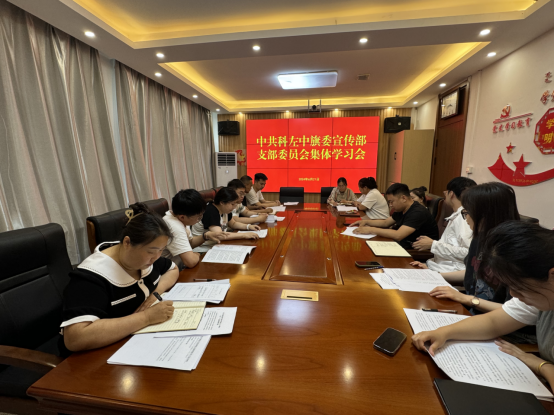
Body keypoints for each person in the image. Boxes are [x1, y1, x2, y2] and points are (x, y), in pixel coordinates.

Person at [412, 221, 548, 369]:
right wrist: (444, 332)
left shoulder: (542, 295)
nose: (512, 293)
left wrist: (541, 365)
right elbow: (493, 322)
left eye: (519, 286)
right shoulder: (541, 296)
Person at [60, 203, 179, 355]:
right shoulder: (91, 277)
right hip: (96, 358)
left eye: (161, 250)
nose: (156, 257)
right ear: (127, 242)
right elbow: (75, 338)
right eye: (152, 251)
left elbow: (172, 269)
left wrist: (155, 293)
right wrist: (146, 317)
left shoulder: (143, 258)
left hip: (134, 342)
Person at [425, 182, 522, 315]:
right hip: (474, 309)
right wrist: (434, 275)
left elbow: (518, 311)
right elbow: (473, 272)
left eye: (467, 212)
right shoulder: (479, 239)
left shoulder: (515, 250)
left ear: (486, 215)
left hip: (496, 319)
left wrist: (466, 299)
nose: (466, 218)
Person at [411, 177, 476, 273]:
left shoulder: (463, 218)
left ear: (451, 194)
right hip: (437, 266)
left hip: (450, 272)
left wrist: (433, 244)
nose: (444, 193)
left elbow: (469, 252)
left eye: (447, 191)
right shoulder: (457, 215)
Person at [352, 183, 439, 247]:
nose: (390, 205)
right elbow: (386, 223)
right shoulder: (402, 208)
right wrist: (365, 222)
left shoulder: (418, 212)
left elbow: (398, 235)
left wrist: (370, 230)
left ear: (403, 198)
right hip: (403, 243)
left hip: (416, 249)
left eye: (391, 201)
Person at [162, 189, 229, 270]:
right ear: (182, 217)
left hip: (178, 267)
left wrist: (206, 236)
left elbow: (189, 243)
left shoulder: (178, 217)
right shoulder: (174, 226)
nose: (199, 220)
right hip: (169, 271)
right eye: (199, 217)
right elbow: (190, 262)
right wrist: (197, 254)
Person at [192, 187, 262, 252]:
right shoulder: (211, 211)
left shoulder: (225, 209)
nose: (234, 207)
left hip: (217, 245)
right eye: (232, 204)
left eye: (235, 204)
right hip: (203, 249)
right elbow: (220, 236)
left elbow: (233, 224)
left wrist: (248, 226)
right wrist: (244, 235)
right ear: (222, 202)